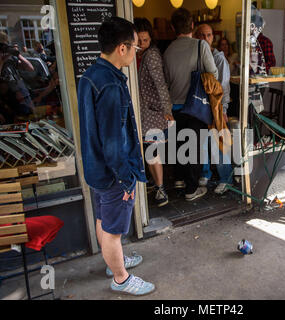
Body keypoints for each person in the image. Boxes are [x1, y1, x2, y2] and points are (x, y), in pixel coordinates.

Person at [77, 17, 155, 296]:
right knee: (112, 230)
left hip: (96, 169)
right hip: (112, 174)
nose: (137, 52)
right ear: (122, 48)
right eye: (135, 46)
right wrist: (125, 180)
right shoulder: (109, 84)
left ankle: (113, 262)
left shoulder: (90, 76)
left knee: (103, 220)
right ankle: (121, 277)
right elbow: (112, 141)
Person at [163, 8, 218, 201]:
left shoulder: (168, 51)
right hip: (196, 106)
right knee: (194, 148)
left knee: (180, 145)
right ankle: (191, 189)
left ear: (172, 28)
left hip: (175, 106)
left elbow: (167, 82)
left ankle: (180, 180)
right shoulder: (200, 46)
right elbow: (213, 74)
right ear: (192, 26)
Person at [134, 17, 173, 207]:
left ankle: (160, 188)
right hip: (144, 113)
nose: (142, 44)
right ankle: (156, 184)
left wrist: (167, 109)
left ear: (151, 39)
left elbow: (161, 84)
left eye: (145, 40)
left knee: (152, 152)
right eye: (138, 41)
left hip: (153, 113)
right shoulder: (137, 55)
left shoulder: (151, 55)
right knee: (149, 152)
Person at [194, 24, 233, 194]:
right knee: (203, 141)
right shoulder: (196, 55)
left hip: (216, 106)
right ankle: (205, 173)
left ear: (212, 37)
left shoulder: (218, 58)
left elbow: (224, 86)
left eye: (208, 35)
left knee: (218, 143)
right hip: (200, 105)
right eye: (201, 35)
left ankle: (226, 178)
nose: (205, 38)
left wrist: (223, 109)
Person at [0, 32, 35, 117]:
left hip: (22, 95)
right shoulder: (3, 60)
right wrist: (2, 61)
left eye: (5, 46)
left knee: (30, 116)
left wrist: (18, 55)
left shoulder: (11, 59)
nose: (3, 49)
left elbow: (30, 68)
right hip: (6, 99)